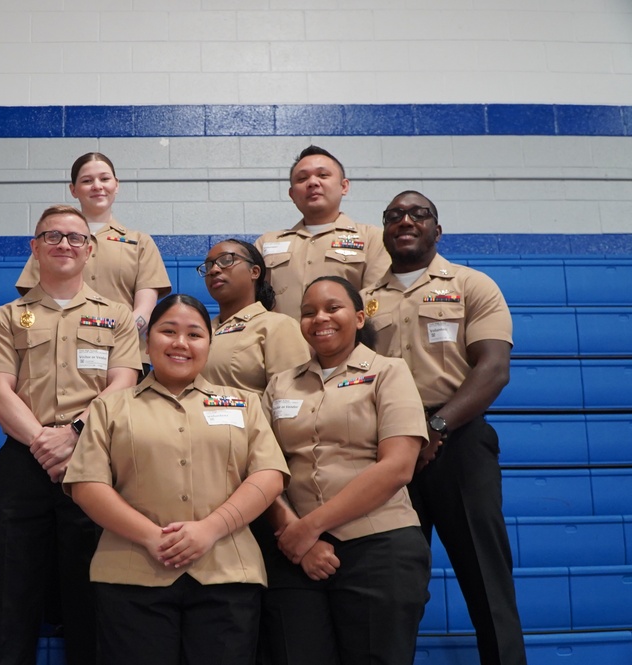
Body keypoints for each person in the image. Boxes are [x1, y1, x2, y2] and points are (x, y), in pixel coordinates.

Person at [65, 294, 289, 665]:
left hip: (227, 575)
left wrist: (211, 529)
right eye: (168, 331)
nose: (180, 343)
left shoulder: (243, 403)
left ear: (209, 345)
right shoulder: (110, 407)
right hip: (131, 574)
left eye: (194, 334)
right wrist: (152, 537)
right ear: (147, 340)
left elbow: (268, 477)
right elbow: (88, 485)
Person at [363, 191, 525, 665]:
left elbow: (493, 369)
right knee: (395, 587)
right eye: (394, 215)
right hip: (387, 451)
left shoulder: (474, 284)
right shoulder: (365, 303)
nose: (406, 220)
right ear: (384, 231)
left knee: (486, 581)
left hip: (458, 441)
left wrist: (436, 426)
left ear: (438, 229)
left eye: (419, 213)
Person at [0, 204, 141, 665]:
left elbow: (123, 384)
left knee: (88, 594)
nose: (64, 244)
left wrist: (73, 434)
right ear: (35, 248)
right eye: (52, 236)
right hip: (24, 460)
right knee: (14, 592)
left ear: (90, 249)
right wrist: (44, 443)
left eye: (74, 237)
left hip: (92, 461)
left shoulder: (117, 316)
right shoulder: (9, 316)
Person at [261, 276, 431, 665]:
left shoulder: (390, 372)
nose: (319, 318)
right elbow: (264, 470)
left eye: (332, 308)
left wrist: (308, 528)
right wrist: (296, 537)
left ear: (358, 317)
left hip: (380, 547)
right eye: (308, 312)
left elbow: (397, 468)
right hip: (295, 556)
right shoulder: (279, 386)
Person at [15, 152, 171, 369]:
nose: (97, 186)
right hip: (60, 359)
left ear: (116, 185)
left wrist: (111, 339)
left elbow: (144, 311)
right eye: (87, 181)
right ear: (73, 190)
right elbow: (34, 305)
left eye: (105, 179)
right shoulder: (52, 241)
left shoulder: (140, 243)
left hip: (125, 357)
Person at [254, 145, 389, 322]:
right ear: (292, 194)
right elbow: (253, 304)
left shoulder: (372, 238)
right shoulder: (266, 243)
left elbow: (376, 304)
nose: (312, 183)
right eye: (302, 178)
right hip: (282, 348)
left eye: (323, 175)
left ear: (344, 186)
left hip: (347, 347)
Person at [198, 238, 309, 396]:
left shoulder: (277, 326)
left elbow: (291, 398)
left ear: (254, 272)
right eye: (209, 265)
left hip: (253, 420)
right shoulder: (201, 331)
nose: (214, 270)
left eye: (226, 260)